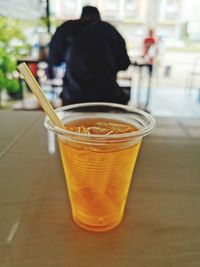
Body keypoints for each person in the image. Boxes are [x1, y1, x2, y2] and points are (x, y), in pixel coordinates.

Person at [48, 6, 130, 105]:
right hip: (108, 96)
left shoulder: (66, 28)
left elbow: (54, 60)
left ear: (81, 15)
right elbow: (124, 64)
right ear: (99, 17)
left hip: (72, 96)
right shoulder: (109, 30)